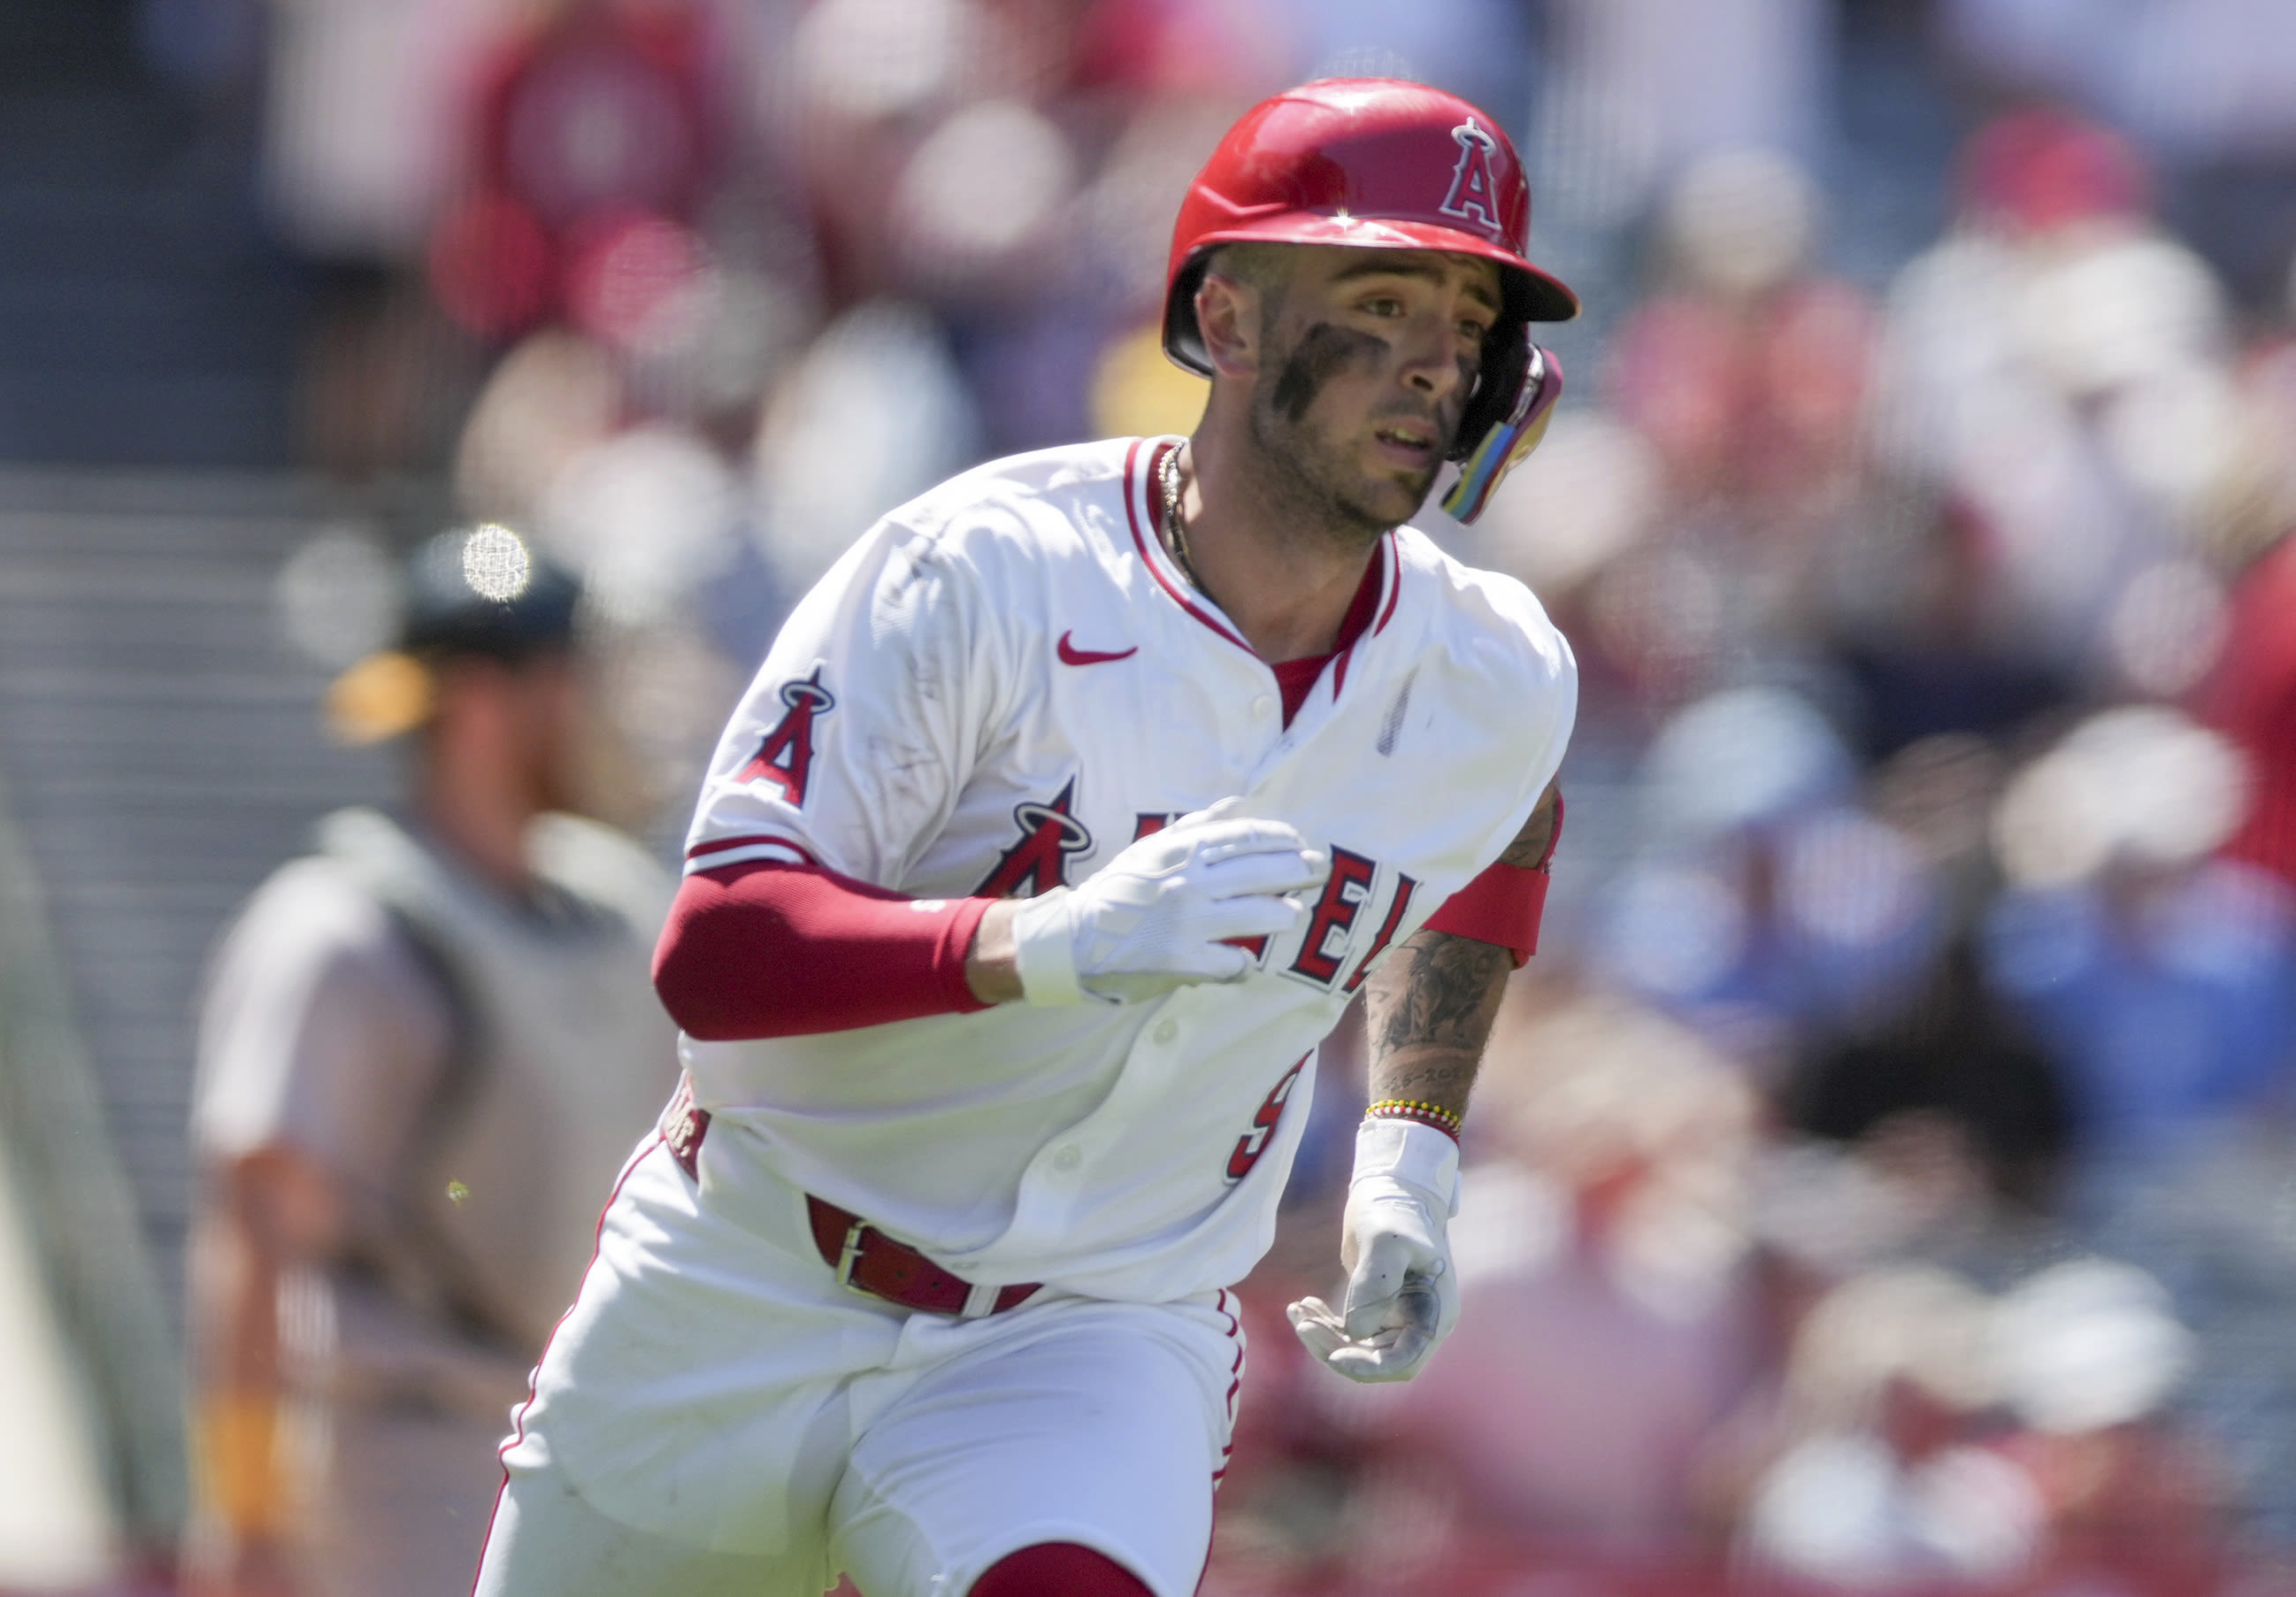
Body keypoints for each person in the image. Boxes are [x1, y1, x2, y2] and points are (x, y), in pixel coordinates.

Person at [475, 79, 1581, 1597]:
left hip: (1091, 1335)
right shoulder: (983, 570)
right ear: (1230, 316)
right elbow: (717, 952)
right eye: (1381, 298)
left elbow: (1493, 846)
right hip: (756, 1273)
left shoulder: (1490, 670)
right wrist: (1052, 944)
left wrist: (1409, 1160)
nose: (1432, 365)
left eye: (1466, 323)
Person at [184, 526, 680, 1597]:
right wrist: (245, 1515)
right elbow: (257, 1232)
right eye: (571, 676)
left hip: (584, 1447)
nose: (601, 711)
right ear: (484, 702)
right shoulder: (341, 930)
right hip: (394, 1471)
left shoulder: (616, 902)